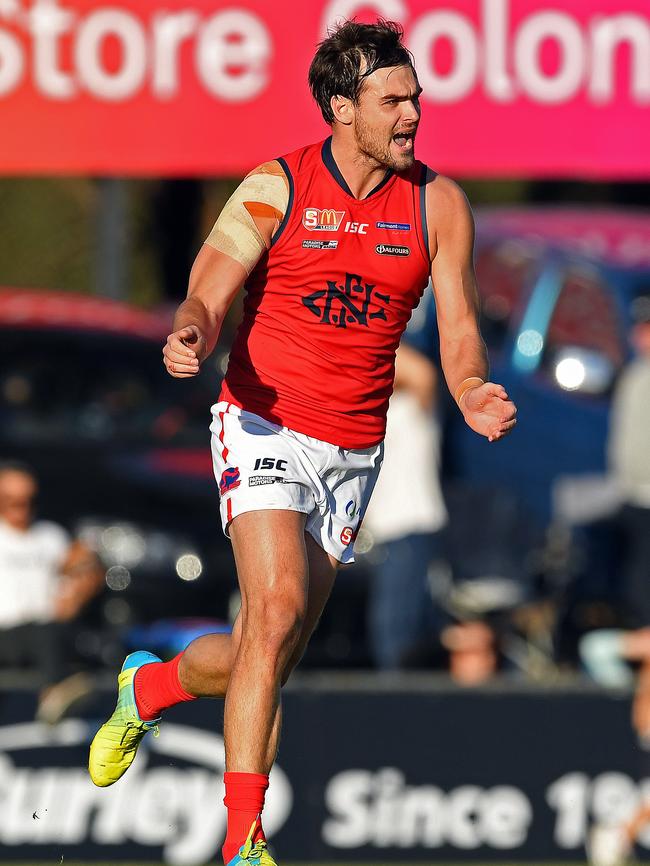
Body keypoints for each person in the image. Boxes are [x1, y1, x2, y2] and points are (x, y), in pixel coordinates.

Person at [88, 20, 517, 866]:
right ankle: (243, 842)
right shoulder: (276, 185)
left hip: (355, 452)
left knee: (268, 656)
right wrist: (192, 330)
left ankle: (148, 686)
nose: (412, 113)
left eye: (416, 97)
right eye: (392, 100)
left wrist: (468, 387)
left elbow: (460, 328)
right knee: (274, 608)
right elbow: (210, 285)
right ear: (340, 107)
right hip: (262, 422)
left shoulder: (439, 203)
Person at [0, 462, 102, 722]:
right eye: (12, 501)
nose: (21, 508)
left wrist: (79, 588)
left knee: (53, 630)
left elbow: (83, 570)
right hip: (7, 632)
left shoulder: (50, 536)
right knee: (41, 629)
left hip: (49, 630)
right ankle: (53, 691)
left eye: (28, 500)